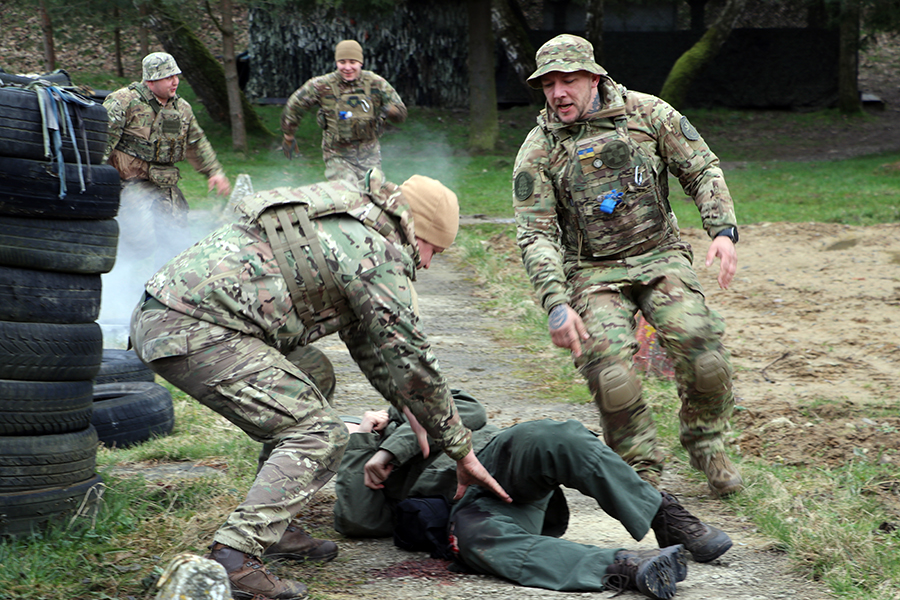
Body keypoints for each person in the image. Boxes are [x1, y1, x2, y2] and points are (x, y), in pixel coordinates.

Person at [129, 168, 510, 600]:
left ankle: (275, 526)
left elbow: (367, 341)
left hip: (175, 315)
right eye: (432, 250)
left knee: (313, 374)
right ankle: (235, 558)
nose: (425, 263)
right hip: (192, 328)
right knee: (319, 432)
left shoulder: (356, 218)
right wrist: (460, 447)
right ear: (416, 228)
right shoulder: (377, 251)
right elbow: (414, 359)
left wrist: (407, 407)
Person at [512, 34, 742, 498]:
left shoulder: (648, 114)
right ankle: (639, 467)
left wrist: (722, 230)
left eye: (569, 80)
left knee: (705, 355)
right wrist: (556, 304)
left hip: (659, 255)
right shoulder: (539, 149)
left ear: (594, 78)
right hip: (591, 271)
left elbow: (701, 168)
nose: (558, 93)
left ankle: (706, 442)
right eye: (549, 83)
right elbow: (536, 234)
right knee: (611, 372)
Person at [333, 391, 733, 599]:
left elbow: (469, 409)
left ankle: (665, 516)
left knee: (553, 434)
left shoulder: (407, 408)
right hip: (468, 503)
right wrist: (361, 443)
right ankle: (628, 566)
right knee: (475, 546)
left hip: (502, 459)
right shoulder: (361, 459)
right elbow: (359, 520)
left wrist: (393, 442)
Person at [103, 51, 231, 264]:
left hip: (165, 185)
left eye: (176, 76)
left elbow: (196, 142)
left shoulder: (181, 108)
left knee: (177, 243)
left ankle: (165, 288)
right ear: (151, 80)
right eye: (168, 77)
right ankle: (118, 281)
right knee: (139, 243)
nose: (175, 82)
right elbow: (102, 142)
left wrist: (214, 172)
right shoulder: (123, 102)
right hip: (130, 185)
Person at [281, 39, 407, 182]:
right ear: (336, 63)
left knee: (375, 190)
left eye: (352, 62)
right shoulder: (321, 85)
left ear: (360, 62)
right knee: (348, 188)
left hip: (369, 156)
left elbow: (401, 113)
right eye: (342, 62)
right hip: (337, 155)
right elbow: (295, 105)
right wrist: (289, 135)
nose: (347, 68)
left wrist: (391, 111)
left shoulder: (376, 83)